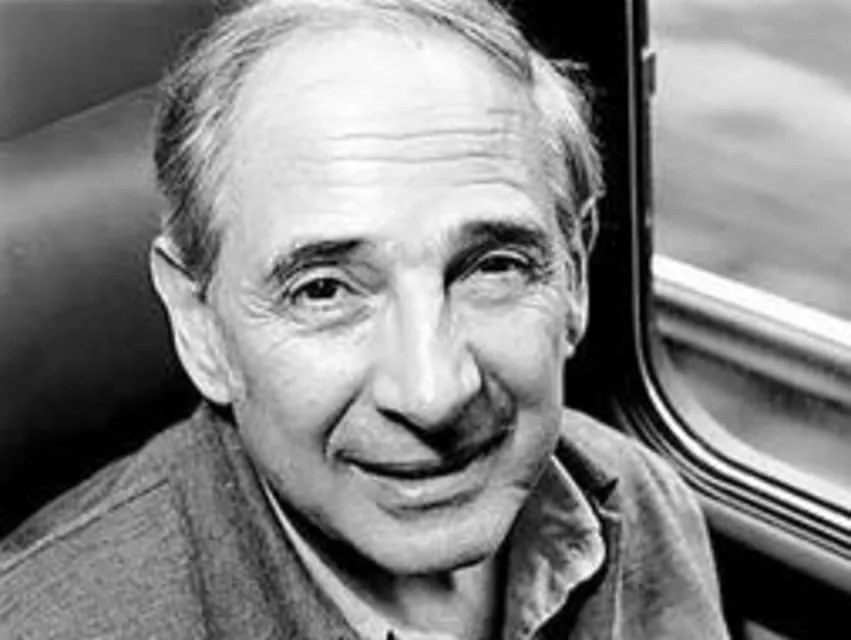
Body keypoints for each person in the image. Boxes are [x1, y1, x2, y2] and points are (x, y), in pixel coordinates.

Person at [0, 0, 729, 637]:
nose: (433, 393)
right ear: (200, 324)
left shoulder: (639, 503)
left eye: (493, 267)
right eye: (323, 290)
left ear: (573, 276)